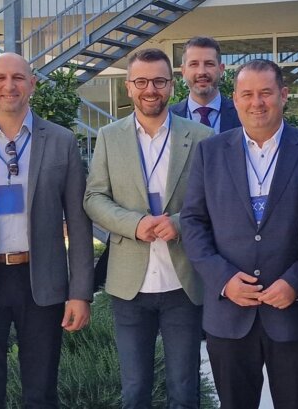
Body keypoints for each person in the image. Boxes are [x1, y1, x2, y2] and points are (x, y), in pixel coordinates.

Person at [0, 52, 94, 409]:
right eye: (0, 78)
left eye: (19, 78)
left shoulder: (61, 141)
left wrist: (80, 292)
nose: (9, 86)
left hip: (42, 282)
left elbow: (79, 221)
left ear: (32, 84)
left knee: (41, 394)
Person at [182, 59, 298, 409]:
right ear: (235, 99)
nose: (256, 102)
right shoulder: (210, 152)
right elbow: (193, 223)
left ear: (283, 95)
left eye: (265, 93)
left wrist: (297, 282)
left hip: (293, 313)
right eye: (247, 94)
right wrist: (224, 280)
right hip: (229, 316)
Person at [84, 48, 214, 409]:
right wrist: (135, 224)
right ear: (128, 87)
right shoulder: (109, 136)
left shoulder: (201, 136)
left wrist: (178, 223)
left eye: (158, 81)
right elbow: (94, 197)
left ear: (171, 85)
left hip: (183, 282)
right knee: (135, 390)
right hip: (130, 285)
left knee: (184, 390)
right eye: (141, 82)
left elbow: (214, 200)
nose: (150, 90)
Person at [169, 36, 240, 133]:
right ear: (183, 70)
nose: (201, 72)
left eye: (209, 64)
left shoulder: (241, 113)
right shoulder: (169, 117)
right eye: (194, 64)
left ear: (221, 69)